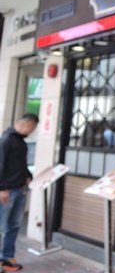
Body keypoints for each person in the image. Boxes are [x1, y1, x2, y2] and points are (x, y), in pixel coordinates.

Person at [0, 113, 39, 272]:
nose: (32, 131)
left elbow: (21, 165)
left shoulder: (21, 141)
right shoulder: (6, 140)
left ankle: (7, 258)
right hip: (7, 191)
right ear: (28, 124)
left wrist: (28, 176)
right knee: (1, 226)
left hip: (20, 189)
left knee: (14, 226)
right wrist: (2, 188)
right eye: (33, 128)